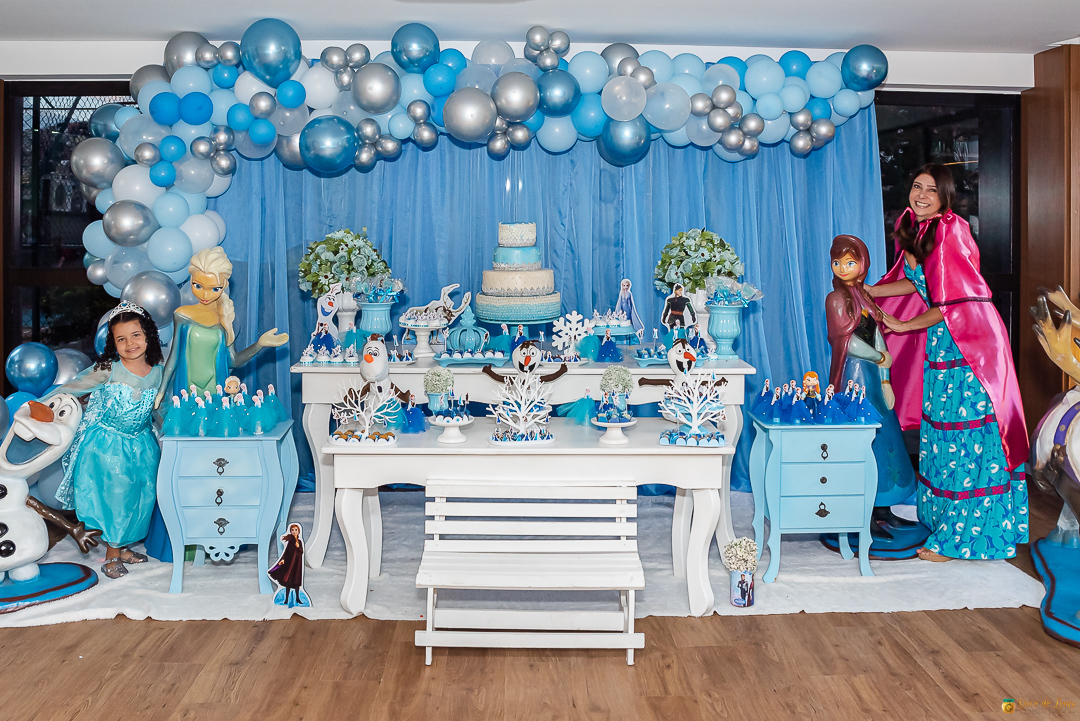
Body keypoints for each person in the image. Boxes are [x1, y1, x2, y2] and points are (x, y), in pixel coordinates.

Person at [865, 164, 1028, 562]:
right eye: (917, 186)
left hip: (970, 343)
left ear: (946, 198)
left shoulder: (950, 230)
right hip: (945, 342)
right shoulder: (917, 227)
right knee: (942, 434)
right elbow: (916, 281)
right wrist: (870, 290)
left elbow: (954, 301)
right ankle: (946, 522)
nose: (921, 195)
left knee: (968, 438)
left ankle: (965, 539)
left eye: (932, 190)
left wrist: (904, 325)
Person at [46, 301, 164, 579]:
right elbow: (71, 389)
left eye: (136, 335)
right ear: (113, 343)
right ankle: (111, 556)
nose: (130, 344)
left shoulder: (158, 372)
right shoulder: (108, 369)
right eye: (121, 339)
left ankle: (122, 547)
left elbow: (161, 409)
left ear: (148, 336)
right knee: (116, 496)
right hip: (107, 445)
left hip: (142, 444)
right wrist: (40, 406)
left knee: (140, 497)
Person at [825, 235, 921, 547]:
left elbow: (876, 334)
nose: (843, 268)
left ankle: (883, 506)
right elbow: (847, 342)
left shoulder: (863, 297)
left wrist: (885, 379)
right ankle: (861, 513)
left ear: (862, 264)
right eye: (838, 262)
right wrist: (879, 358)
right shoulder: (836, 299)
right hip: (853, 378)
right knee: (861, 443)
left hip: (873, 382)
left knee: (885, 441)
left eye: (850, 262)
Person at [156, 247, 288, 407]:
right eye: (198, 286)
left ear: (224, 285)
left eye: (214, 289)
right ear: (191, 281)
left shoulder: (224, 318)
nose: (205, 295)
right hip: (187, 390)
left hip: (217, 390)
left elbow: (233, 361)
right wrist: (161, 391)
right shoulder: (182, 315)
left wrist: (259, 345)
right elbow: (174, 357)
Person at [268, 523, 309, 607]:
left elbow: (301, 552)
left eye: (295, 530)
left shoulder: (299, 541)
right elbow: (286, 551)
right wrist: (283, 559)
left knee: (296, 581)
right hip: (290, 563)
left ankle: (297, 598)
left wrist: (298, 546)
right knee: (289, 582)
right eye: (292, 530)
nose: (294, 531)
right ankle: (286, 599)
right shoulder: (290, 541)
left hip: (297, 564)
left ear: (298, 531)